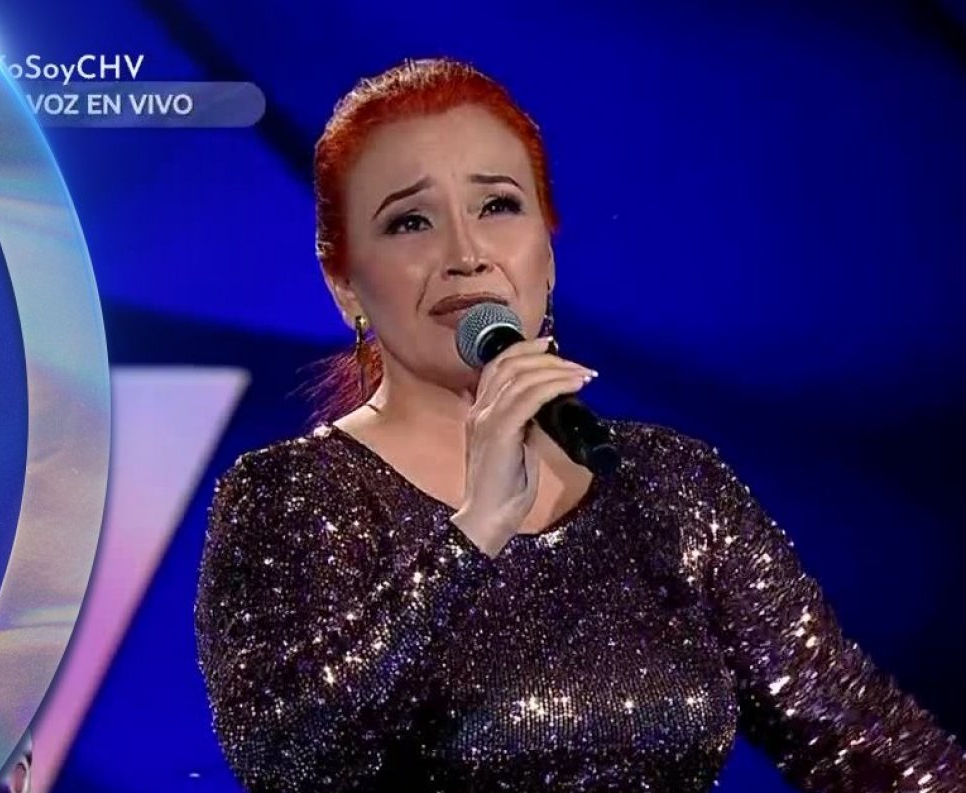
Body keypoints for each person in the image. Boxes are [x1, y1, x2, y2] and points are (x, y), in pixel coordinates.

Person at [194, 58, 966, 792]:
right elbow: (287, 758)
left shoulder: (668, 485)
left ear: (548, 252)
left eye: (498, 206)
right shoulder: (290, 496)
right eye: (410, 222)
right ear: (344, 284)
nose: (466, 254)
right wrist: (473, 533)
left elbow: (859, 736)